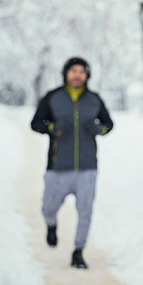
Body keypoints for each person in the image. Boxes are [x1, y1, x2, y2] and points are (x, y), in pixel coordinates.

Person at [31, 57, 113, 269]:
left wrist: (99, 130)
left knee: (85, 211)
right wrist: (52, 127)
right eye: (73, 71)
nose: (77, 75)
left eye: (82, 71)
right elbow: (36, 123)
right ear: (66, 73)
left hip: (88, 169)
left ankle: (78, 251)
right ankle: (51, 225)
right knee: (48, 208)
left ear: (87, 75)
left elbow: (108, 124)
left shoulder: (94, 99)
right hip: (58, 168)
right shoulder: (53, 97)